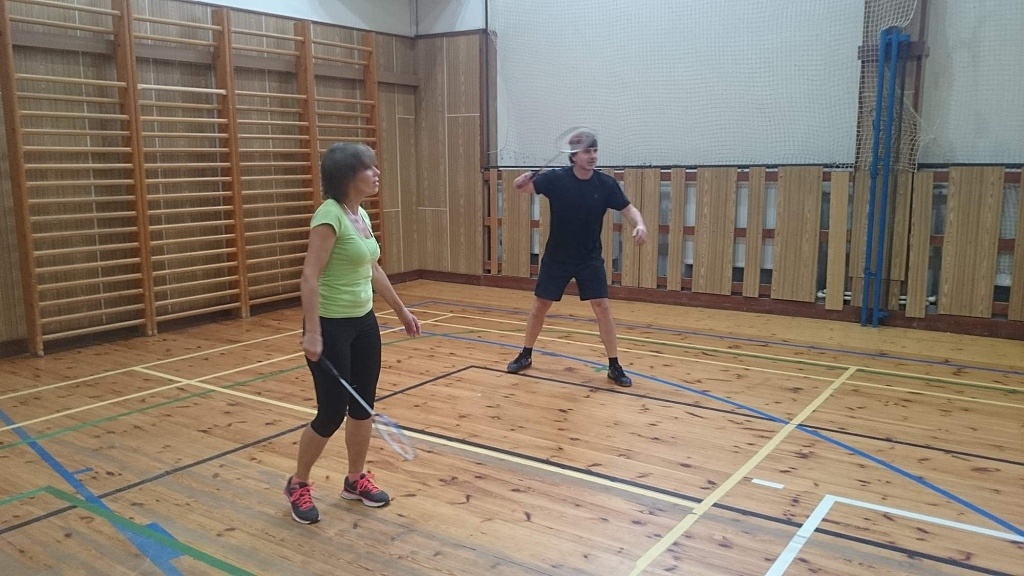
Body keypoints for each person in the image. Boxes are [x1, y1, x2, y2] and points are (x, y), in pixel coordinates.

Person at [285, 143, 421, 524]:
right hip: (330, 327)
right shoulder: (329, 216)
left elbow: (373, 268)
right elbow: (309, 276)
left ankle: (354, 479)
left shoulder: (359, 213)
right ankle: (298, 483)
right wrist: (313, 332)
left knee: (362, 407)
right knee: (330, 414)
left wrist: (401, 310)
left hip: (363, 323)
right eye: (369, 168)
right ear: (347, 176)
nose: (377, 174)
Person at [506, 129, 647, 387]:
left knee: (602, 307)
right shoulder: (556, 179)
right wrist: (521, 180)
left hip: (589, 258)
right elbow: (522, 188)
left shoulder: (605, 184)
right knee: (540, 305)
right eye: (587, 151)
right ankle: (525, 354)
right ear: (573, 155)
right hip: (557, 256)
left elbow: (628, 209)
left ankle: (614, 366)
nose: (593, 156)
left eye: (595, 151)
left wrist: (640, 224)